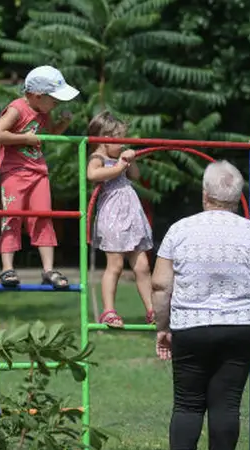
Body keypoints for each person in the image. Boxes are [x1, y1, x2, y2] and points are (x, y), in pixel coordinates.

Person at [151, 161, 250, 450]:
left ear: (205, 194)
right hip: (242, 327)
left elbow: (161, 284)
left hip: (191, 326)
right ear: (238, 197)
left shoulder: (179, 230)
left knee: (187, 404)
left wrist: (163, 328)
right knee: (226, 404)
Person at [0, 65, 79, 289]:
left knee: (43, 216)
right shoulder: (17, 109)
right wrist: (24, 139)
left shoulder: (43, 113)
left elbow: (47, 136)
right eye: (54, 99)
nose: (57, 104)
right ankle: (8, 269)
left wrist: (63, 124)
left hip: (38, 172)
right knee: (11, 217)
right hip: (14, 173)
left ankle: (48, 270)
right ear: (38, 96)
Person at [87, 111, 154, 327]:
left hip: (132, 216)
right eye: (119, 138)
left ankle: (152, 310)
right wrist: (117, 167)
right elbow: (92, 175)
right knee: (115, 265)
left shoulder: (120, 157)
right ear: (105, 139)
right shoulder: (98, 158)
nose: (123, 143)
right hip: (112, 217)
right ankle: (108, 311)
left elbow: (134, 175)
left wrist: (129, 160)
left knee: (142, 265)